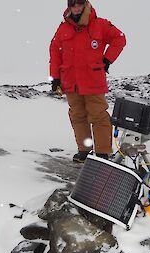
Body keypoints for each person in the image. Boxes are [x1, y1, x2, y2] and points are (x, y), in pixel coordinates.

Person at [49, 0, 126, 162]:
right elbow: (55, 52)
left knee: (98, 115)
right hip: (70, 81)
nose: (76, 8)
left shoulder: (100, 24)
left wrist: (107, 60)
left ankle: (102, 153)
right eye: (72, 4)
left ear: (85, 4)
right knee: (78, 116)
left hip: (93, 80)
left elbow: (120, 39)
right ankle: (84, 150)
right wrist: (55, 78)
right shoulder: (63, 28)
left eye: (78, 4)